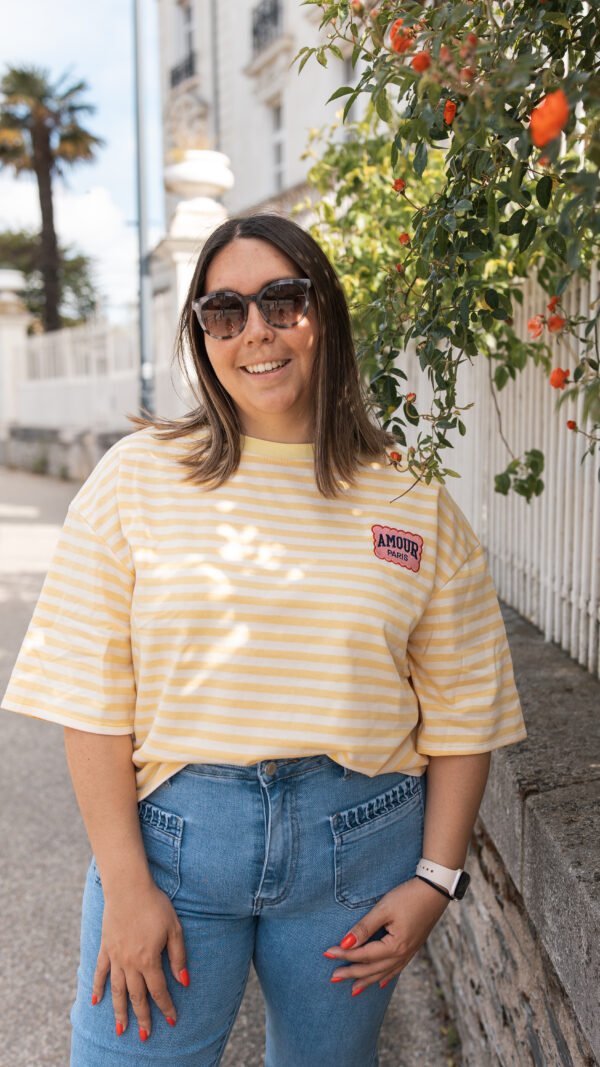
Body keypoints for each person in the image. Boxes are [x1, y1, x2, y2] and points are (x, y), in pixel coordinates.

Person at [1, 212, 527, 1066]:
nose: (257, 331)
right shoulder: (136, 478)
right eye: (226, 310)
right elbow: (90, 696)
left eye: (284, 300)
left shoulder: (411, 497)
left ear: (326, 313)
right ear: (202, 332)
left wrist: (436, 879)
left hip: (355, 853)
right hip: (173, 845)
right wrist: (128, 885)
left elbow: (465, 708)